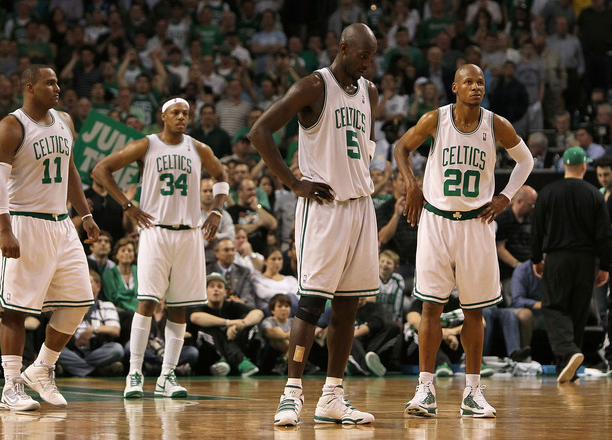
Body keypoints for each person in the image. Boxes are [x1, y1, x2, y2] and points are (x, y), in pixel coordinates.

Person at [248, 23, 379, 426]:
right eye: (363, 55)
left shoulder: (370, 93)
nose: (368, 63)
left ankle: (332, 396)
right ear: (343, 48)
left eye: (372, 57)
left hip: (360, 206)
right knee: (310, 304)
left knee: (348, 306)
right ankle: (290, 395)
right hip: (324, 208)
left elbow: (361, 152)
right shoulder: (313, 86)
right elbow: (260, 131)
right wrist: (293, 182)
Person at [394, 63, 534, 418]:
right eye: (468, 82)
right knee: (431, 307)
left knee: (475, 311)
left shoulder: (495, 123)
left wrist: (505, 197)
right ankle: (425, 389)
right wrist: (412, 184)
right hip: (438, 222)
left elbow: (526, 160)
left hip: (477, 224)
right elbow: (401, 147)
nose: (476, 87)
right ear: (454, 87)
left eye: (481, 82)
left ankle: (472, 391)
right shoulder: (434, 119)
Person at [92, 96, 228, 399]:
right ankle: (135, 373)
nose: (182, 117)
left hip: (190, 233)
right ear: (163, 116)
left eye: (186, 113)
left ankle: (167, 375)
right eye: (175, 113)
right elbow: (101, 169)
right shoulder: (147, 144)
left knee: (180, 308)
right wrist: (127, 205)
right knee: (147, 303)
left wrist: (217, 210)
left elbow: (221, 176)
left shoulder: (199, 147)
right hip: (155, 231)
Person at [0, 64, 100, 411]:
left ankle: (43, 367)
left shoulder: (64, 121)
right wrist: (4, 228)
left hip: (61, 224)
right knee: (16, 310)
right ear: (29, 87)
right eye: (50, 83)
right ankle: (10, 387)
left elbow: (70, 169)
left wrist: (86, 214)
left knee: (80, 299)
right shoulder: (12, 125)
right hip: (23, 222)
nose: (58, 88)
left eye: (58, 82)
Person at [531, 146, 612, 383]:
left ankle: (568, 353)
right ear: (584, 166)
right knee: (577, 313)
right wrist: (605, 266)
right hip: (586, 261)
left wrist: (536, 258)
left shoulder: (547, 192)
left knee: (554, 307)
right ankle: (567, 369)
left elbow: (537, 230)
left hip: (557, 258)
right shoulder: (595, 194)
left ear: (563, 166)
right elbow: (604, 236)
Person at [189, 272, 264, 377]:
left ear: (225, 292)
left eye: (220, 287)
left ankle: (229, 362)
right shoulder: (201, 306)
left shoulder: (232, 305)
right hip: (209, 356)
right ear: (205, 291)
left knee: (251, 325)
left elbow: (258, 313)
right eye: (212, 286)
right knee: (210, 329)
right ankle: (239, 362)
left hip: (236, 344)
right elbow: (195, 317)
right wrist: (230, 323)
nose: (216, 289)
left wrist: (241, 324)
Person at [57, 270, 125, 377]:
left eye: (88, 282)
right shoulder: (70, 306)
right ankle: (97, 371)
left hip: (98, 351)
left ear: (98, 286)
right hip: (74, 350)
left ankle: (75, 368)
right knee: (55, 351)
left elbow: (115, 330)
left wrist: (92, 330)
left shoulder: (106, 306)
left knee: (117, 349)